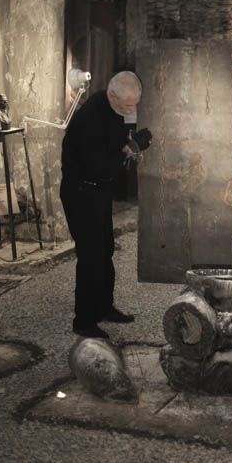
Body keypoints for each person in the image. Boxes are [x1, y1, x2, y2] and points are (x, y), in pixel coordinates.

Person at [60, 71, 152, 339]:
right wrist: (130, 149)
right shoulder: (90, 119)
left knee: (106, 250)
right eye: (128, 105)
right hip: (81, 193)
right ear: (112, 96)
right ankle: (84, 321)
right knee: (90, 256)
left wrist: (130, 144)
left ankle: (103, 307)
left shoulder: (114, 109)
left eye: (135, 104)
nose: (132, 110)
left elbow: (116, 147)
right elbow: (101, 168)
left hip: (98, 192)